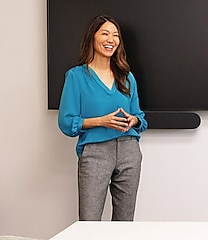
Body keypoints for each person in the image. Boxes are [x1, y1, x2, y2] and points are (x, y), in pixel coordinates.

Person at [58, 15, 148, 221]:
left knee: (125, 223)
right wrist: (101, 121)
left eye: (115, 35)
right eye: (105, 33)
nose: (111, 39)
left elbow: (140, 117)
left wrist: (133, 120)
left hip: (129, 151)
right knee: (89, 223)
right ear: (93, 37)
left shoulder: (127, 76)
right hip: (95, 152)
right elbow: (66, 122)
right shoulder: (76, 76)